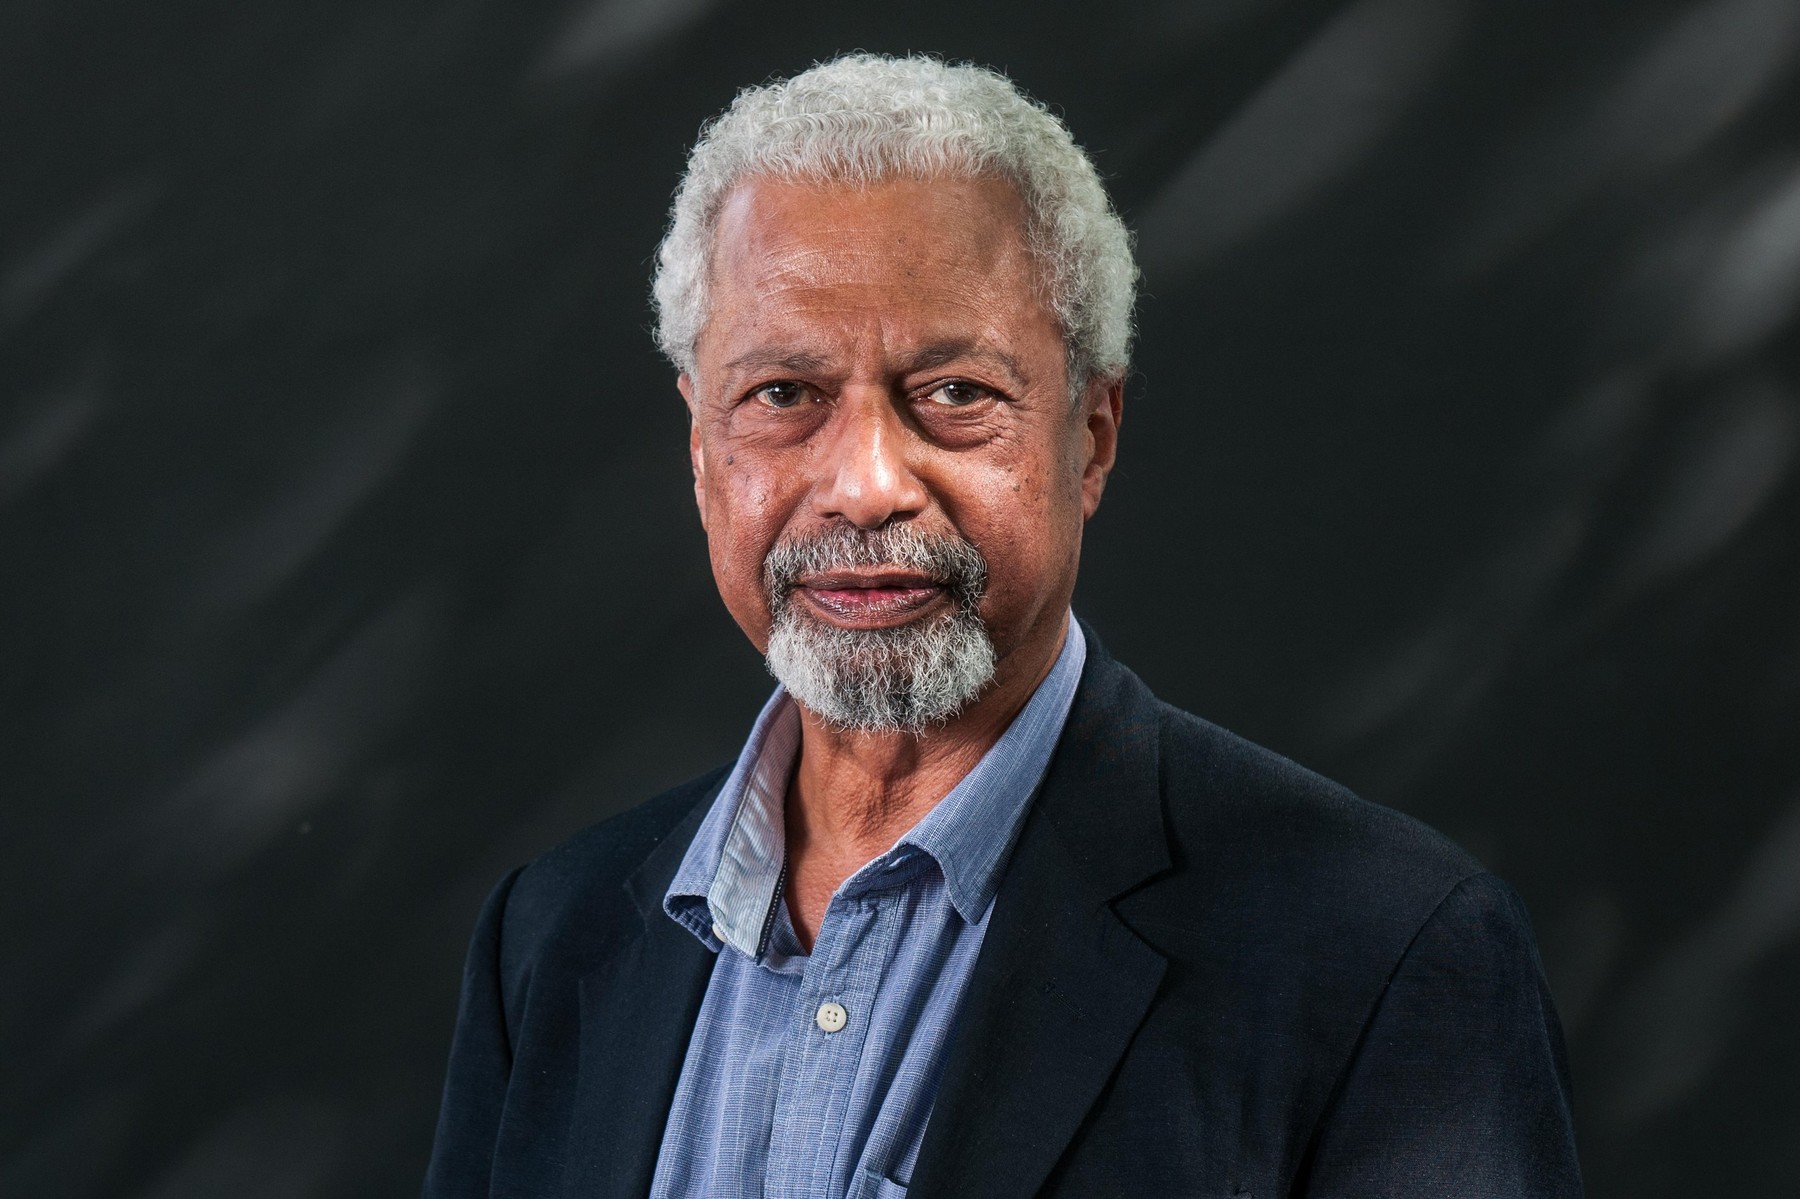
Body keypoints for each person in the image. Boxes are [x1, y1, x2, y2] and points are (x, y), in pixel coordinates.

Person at [423, 53, 1581, 1199]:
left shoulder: (1382, 950)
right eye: (784, 394)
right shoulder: (553, 936)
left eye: (956, 392)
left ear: (1092, 432)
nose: (866, 481)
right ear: (698, 446)